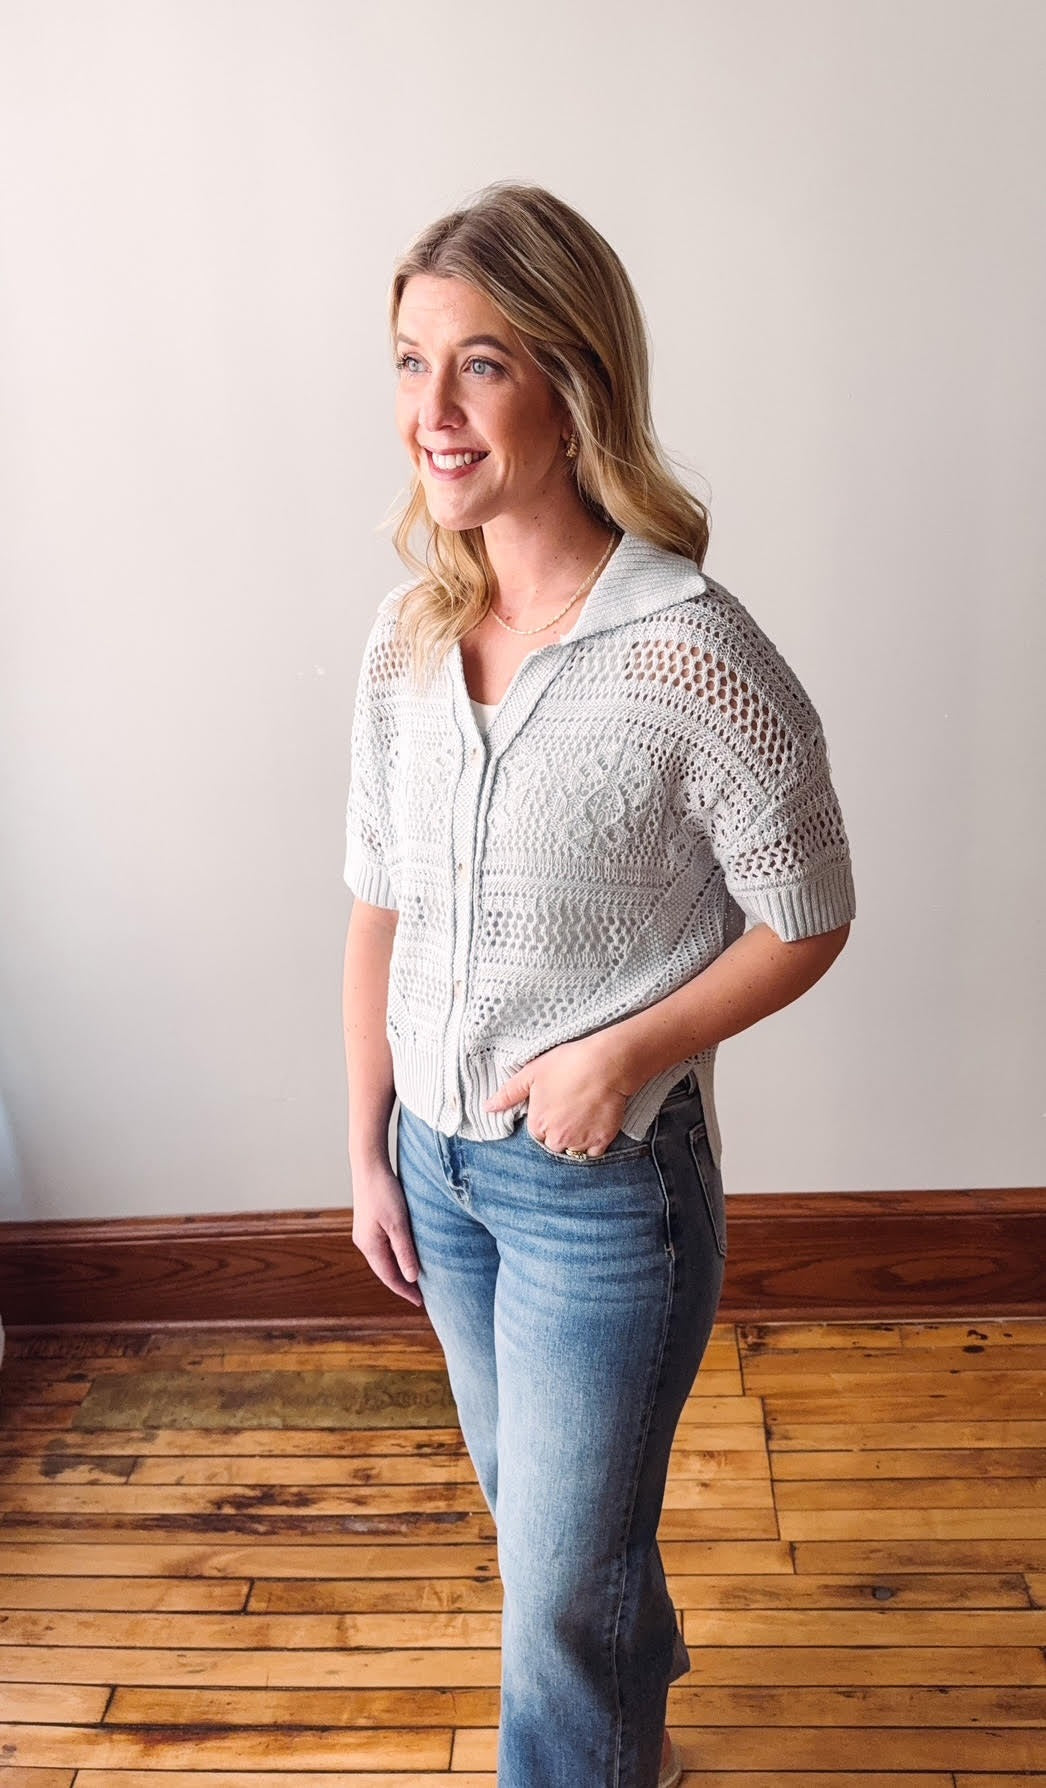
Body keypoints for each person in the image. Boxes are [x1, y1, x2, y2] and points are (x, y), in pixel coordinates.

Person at [342, 180, 856, 1788]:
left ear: (574, 381)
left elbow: (811, 912)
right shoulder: (410, 637)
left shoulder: (692, 649)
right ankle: (626, 1680)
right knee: (547, 1534)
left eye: (480, 363)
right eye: (411, 361)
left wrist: (623, 1056)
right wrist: (364, 1143)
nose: (433, 410)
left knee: (559, 1575)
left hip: (597, 1185)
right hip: (438, 1167)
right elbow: (380, 901)